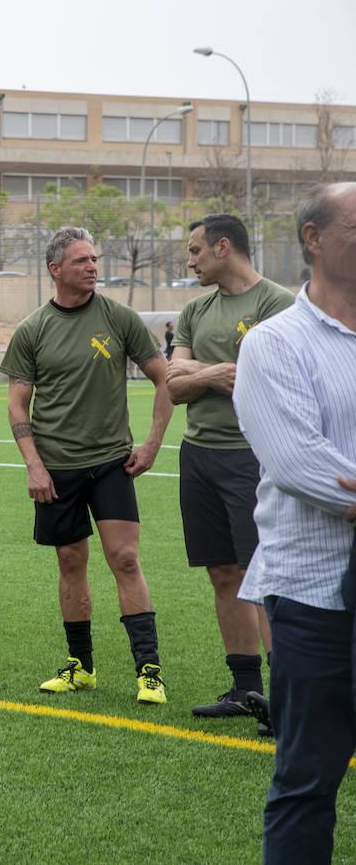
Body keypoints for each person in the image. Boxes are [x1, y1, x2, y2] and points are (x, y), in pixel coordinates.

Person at [233, 182, 356, 862]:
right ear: (314, 239)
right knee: (308, 778)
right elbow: (301, 465)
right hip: (315, 593)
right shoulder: (276, 344)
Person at [0, 226, 174, 704]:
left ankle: (149, 672)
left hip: (111, 464)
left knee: (125, 559)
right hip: (57, 471)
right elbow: (17, 406)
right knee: (71, 562)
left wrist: (153, 444)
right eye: (81, 261)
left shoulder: (119, 318)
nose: (92, 267)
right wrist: (35, 467)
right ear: (55, 270)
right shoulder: (32, 329)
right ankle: (82, 667)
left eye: (94, 259)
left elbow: (166, 380)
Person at [165, 213, 293, 725]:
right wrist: (215, 372)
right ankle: (245, 690)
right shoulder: (196, 308)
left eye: (195, 250)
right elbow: (173, 387)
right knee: (223, 573)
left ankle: (288, 697)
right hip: (198, 454)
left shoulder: (276, 303)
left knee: (265, 576)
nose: (189, 260)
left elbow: (260, 377)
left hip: (253, 457)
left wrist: (203, 370)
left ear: (223, 247)